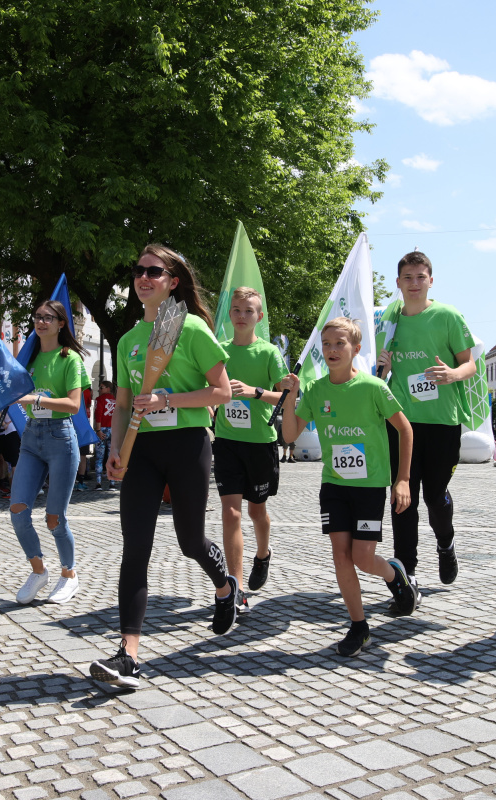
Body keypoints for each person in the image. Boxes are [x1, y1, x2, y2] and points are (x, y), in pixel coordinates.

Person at [89, 245, 234, 689]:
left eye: (154, 271)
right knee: (136, 548)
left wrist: (167, 399)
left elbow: (222, 392)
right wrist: (116, 449)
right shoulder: (129, 340)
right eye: (138, 270)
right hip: (143, 450)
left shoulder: (191, 328)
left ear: (172, 282)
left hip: (188, 444)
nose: (144, 277)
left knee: (191, 542)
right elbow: (124, 404)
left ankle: (225, 587)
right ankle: (128, 654)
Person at [281, 318, 418, 655]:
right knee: (341, 556)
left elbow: (405, 429)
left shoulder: (373, 387)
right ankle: (359, 627)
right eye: (326, 344)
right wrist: (290, 398)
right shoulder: (316, 390)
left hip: (370, 486)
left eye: (339, 343)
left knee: (362, 558)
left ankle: (395, 576)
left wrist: (402, 479)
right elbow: (289, 435)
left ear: (355, 349)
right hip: (334, 485)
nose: (332, 349)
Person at [376, 251, 476, 601]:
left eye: (421, 277)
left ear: (431, 280)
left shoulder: (447, 316)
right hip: (401, 422)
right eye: (408, 277)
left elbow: (470, 364)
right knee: (402, 498)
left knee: (435, 496)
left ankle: (445, 543)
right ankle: (407, 575)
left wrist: (452, 374)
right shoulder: (388, 321)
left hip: (442, 422)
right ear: (398, 282)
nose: (414, 283)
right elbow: (379, 374)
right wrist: (383, 368)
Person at [9, 299, 90, 605]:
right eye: (37, 317)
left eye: (48, 317)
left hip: (61, 438)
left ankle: (69, 574)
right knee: (18, 511)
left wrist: (36, 399)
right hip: (31, 438)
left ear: (61, 324)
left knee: (54, 518)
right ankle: (38, 571)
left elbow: (74, 405)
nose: (41, 322)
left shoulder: (69, 358)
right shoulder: (27, 358)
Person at [214, 287, 288, 603]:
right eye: (237, 310)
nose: (242, 316)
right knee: (231, 513)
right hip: (227, 442)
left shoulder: (269, 353)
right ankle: (236, 587)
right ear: (229, 314)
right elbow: (206, 388)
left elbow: (286, 398)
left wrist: (254, 391)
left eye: (249, 311)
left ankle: (263, 553)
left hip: (260, 444)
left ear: (259, 316)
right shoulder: (218, 350)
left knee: (257, 511)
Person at [93, 380, 116, 489]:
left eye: (101, 387)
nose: (99, 389)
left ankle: (99, 483)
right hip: (113, 430)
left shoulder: (100, 399)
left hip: (102, 429)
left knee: (99, 457)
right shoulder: (116, 400)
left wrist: (98, 430)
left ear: (108, 388)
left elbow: (98, 415)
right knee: (112, 456)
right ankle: (112, 483)